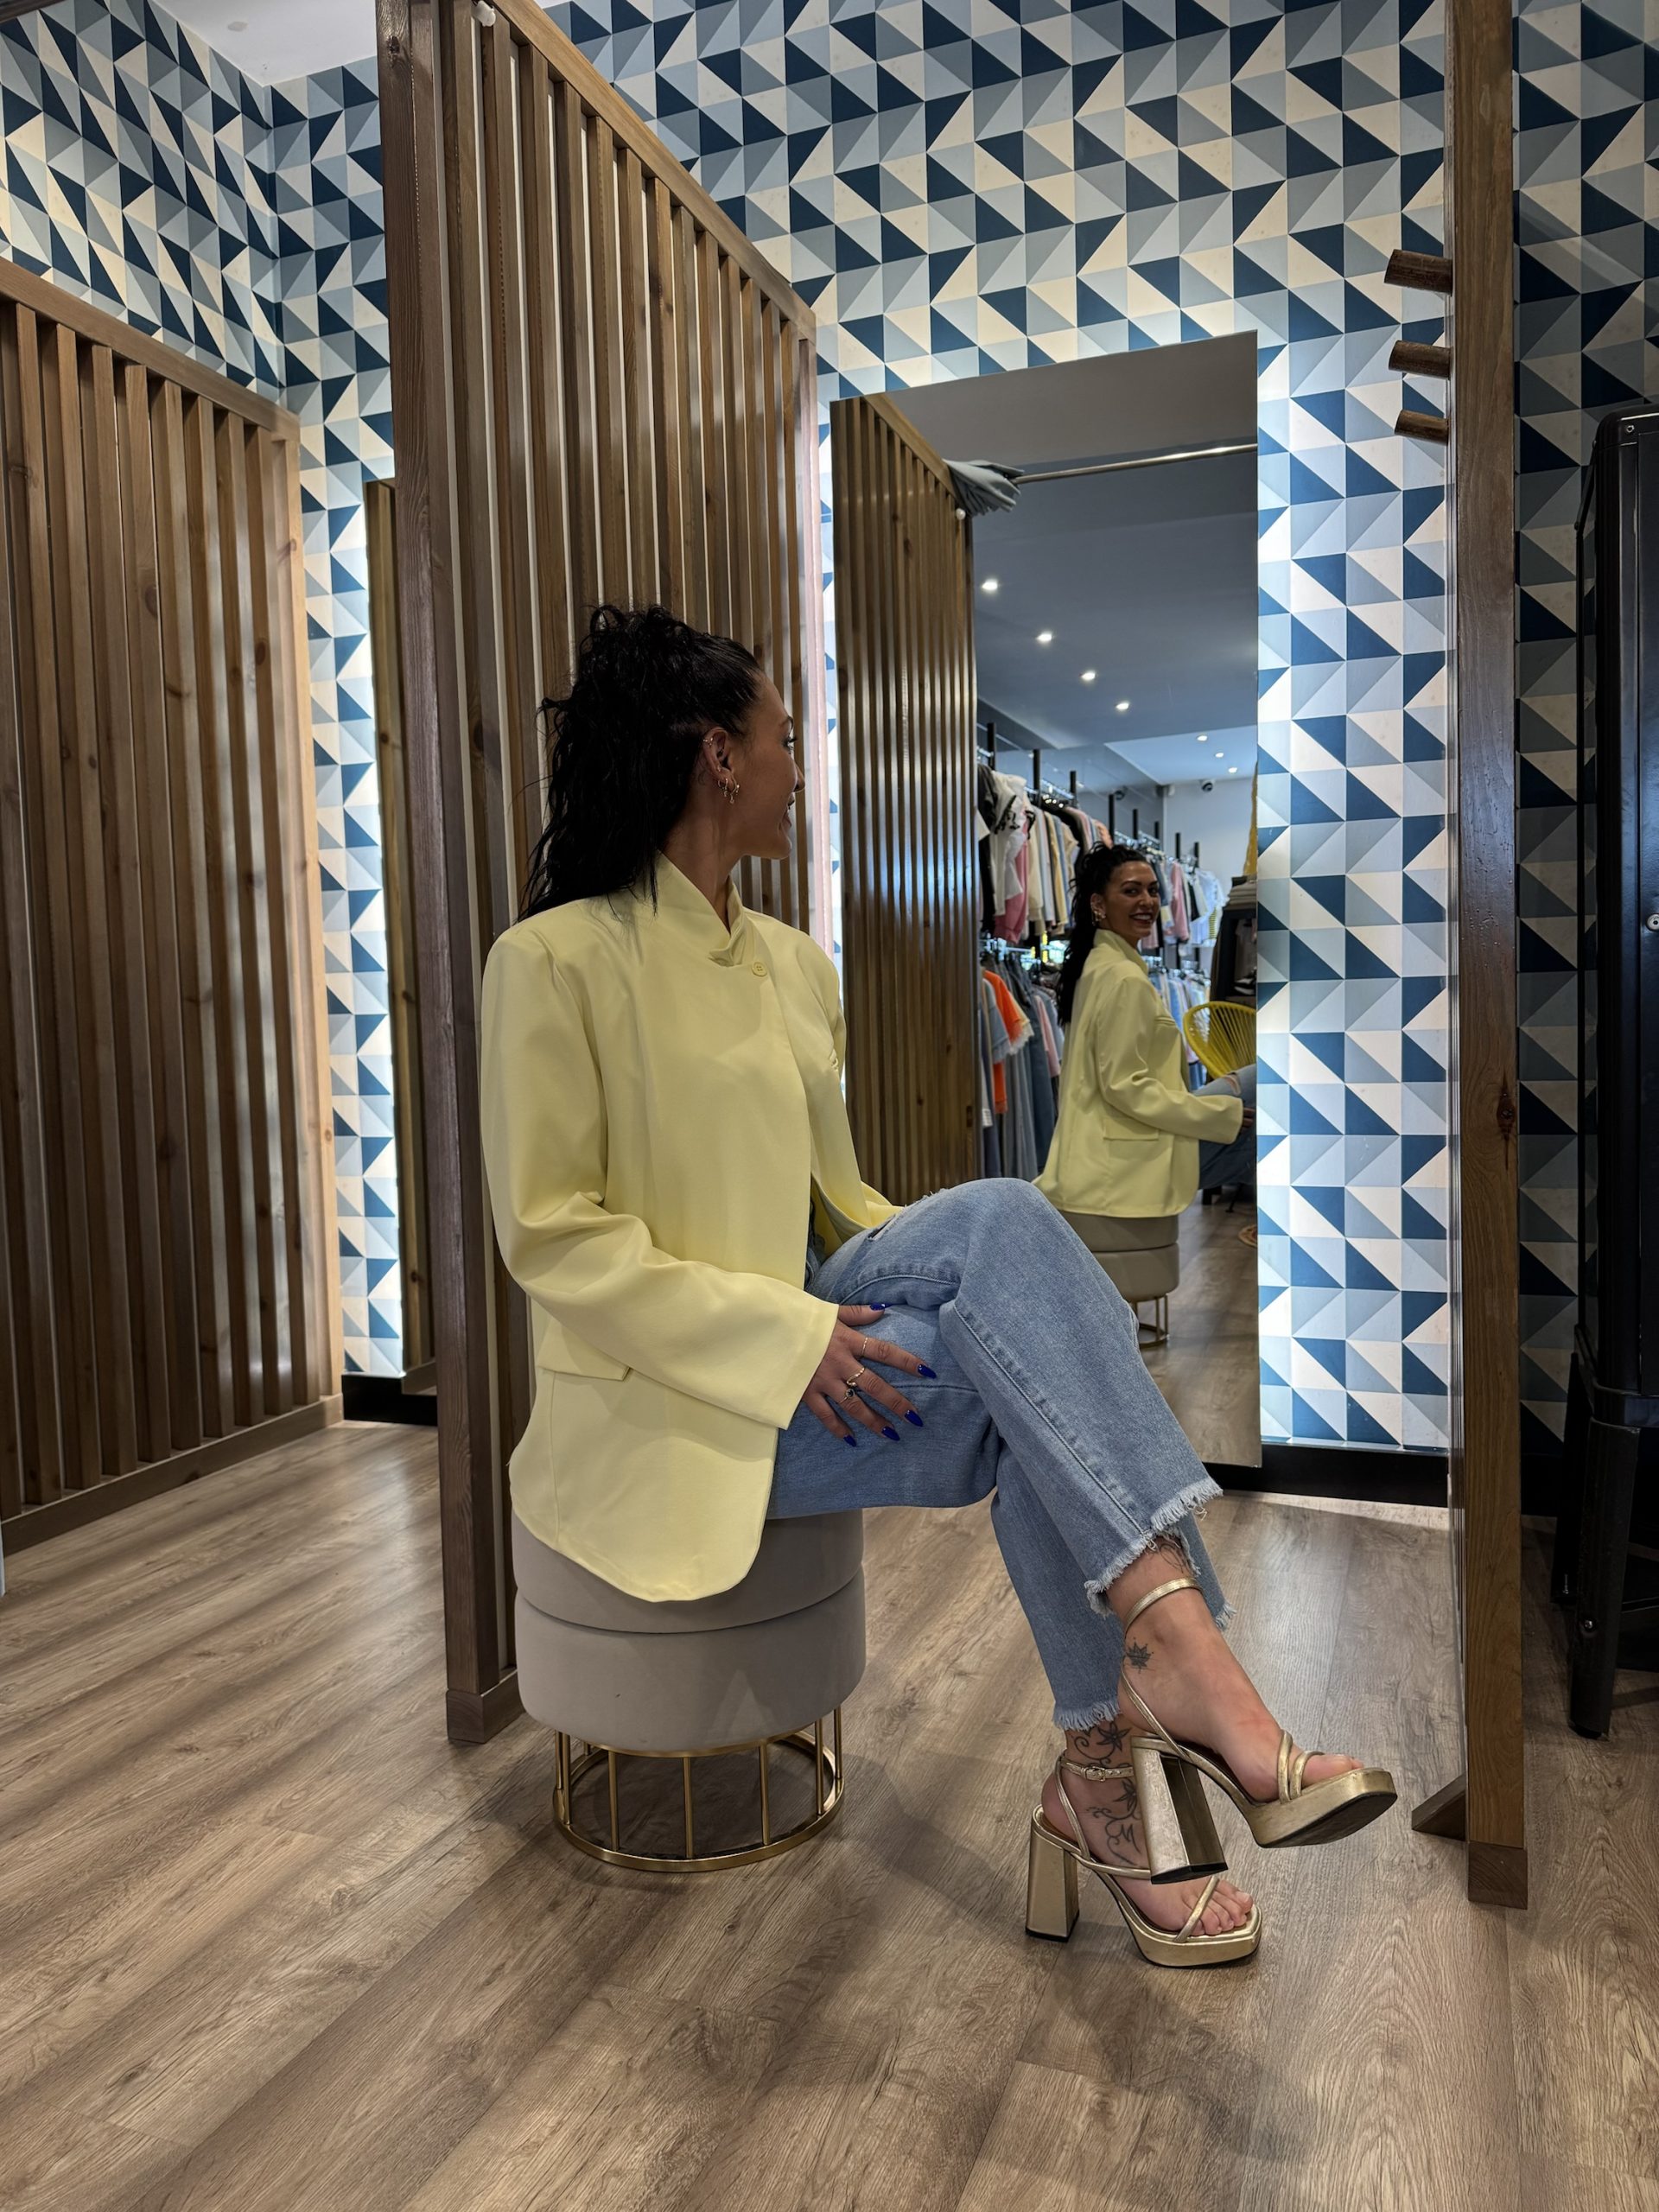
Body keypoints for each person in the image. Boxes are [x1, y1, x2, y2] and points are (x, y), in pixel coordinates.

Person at [480, 606, 1394, 1970]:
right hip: (670, 1398)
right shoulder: (551, 962)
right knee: (1037, 1387)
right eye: (786, 741)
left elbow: (838, 1204)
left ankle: (1128, 1736)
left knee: (1020, 1266)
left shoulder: (793, 965)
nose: (800, 768)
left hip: (812, 1312)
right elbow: (556, 1240)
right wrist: (786, 1337)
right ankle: (1149, 1723)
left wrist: (992, 1292)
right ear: (719, 756)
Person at [1038, 843, 1256, 1243]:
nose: (1148, 901)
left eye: (1153, 890)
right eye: (1131, 891)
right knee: (1271, 1090)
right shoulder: (1123, 978)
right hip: (1121, 1160)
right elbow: (1125, 1086)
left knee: (1263, 1090)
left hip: (1100, 1150)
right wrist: (1214, 1114)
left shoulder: (1097, 966)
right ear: (1099, 904)